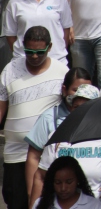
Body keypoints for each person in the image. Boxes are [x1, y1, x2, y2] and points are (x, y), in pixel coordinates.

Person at [1, 26, 69, 209]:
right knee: (15, 202)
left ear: (49, 47)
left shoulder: (62, 72)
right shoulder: (10, 70)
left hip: (47, 155)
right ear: (23, 47)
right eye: (29, 51)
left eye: (39, 52)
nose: (34, 56)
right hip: (15, 153)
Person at [33, 85, 101, 209]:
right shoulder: (58, 136)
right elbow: (41, 176)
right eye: (76, 107)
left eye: (86, 107)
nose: (80, 112)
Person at [24, 68, 92, 196]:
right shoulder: (49, 118)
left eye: (86, 90)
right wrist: (32, 195)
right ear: (64, 90)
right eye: (76, 90)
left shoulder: (98, 120)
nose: (81, 94)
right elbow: (33, 157)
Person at [3, 0, 72, 64]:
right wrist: (25, 55)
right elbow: (10, 35)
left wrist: (57, 52)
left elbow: (65, 30)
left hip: (56, 60)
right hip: (24, 62)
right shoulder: (14, 4)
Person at [32, 157, 101, 209]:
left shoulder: (93, 205)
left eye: (69, 182)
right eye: (58, 182)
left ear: (78, 180)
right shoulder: (40, 204)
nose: (63, 188)